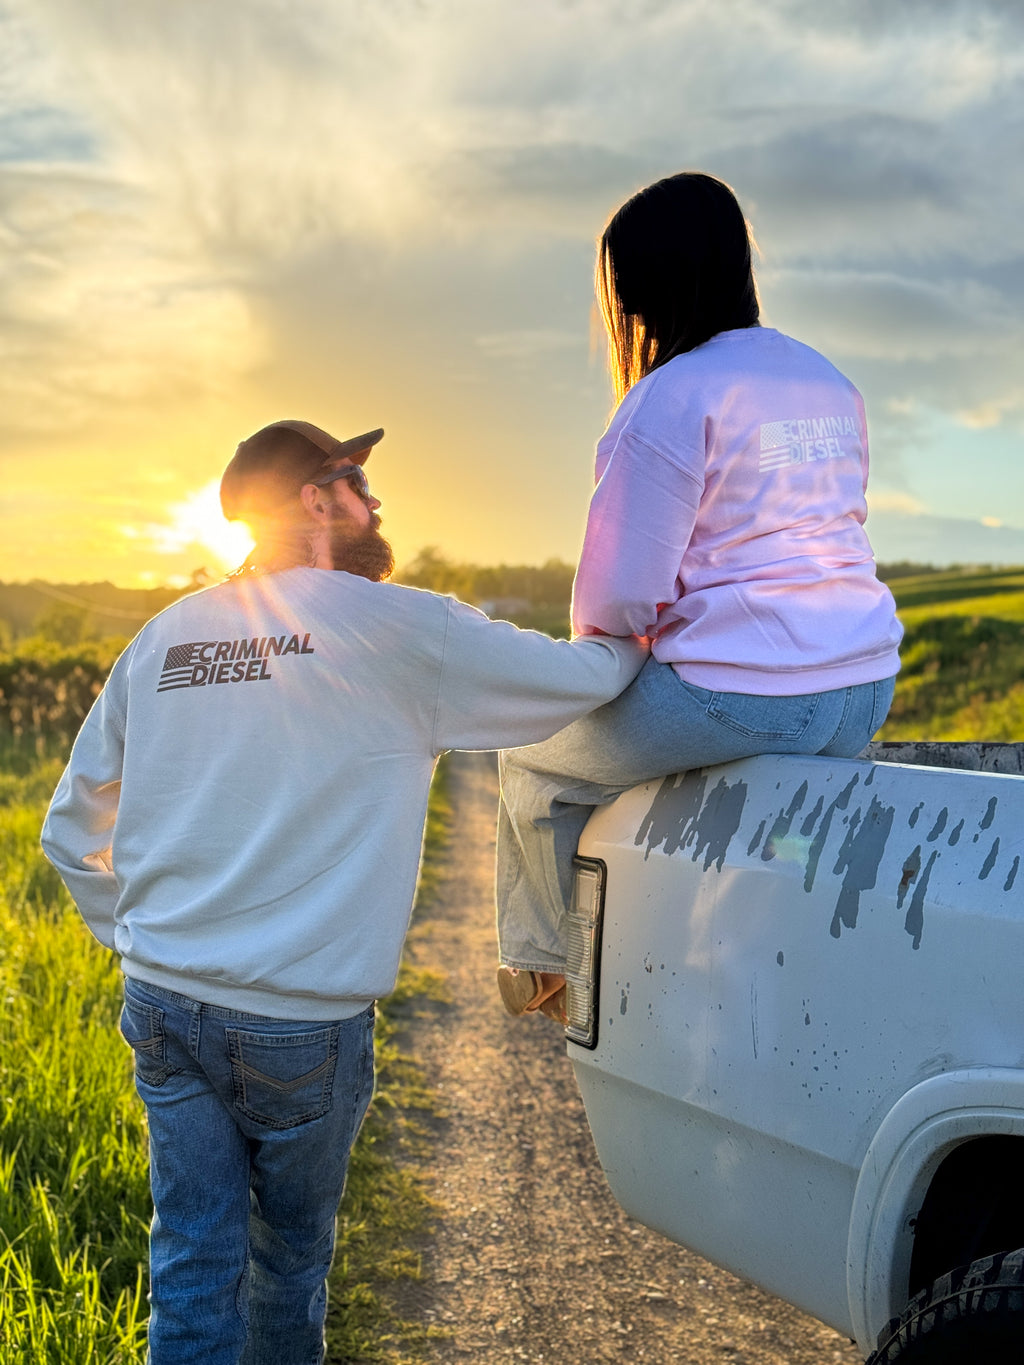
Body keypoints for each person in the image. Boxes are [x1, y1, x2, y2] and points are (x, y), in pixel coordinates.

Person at [40, 418, 646, 1365]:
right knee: (287, 1264)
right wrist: (640, 637)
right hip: (301, 1023)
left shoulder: (166, 635)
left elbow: (70, 827)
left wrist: (138, 939)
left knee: (191, 1262)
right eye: (360, 481)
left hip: (162, 1006)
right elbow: (584, 679)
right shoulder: (401, 627)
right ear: (315, 498)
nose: (376, 501)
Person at [495, 172, 903, 1016]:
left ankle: (551, 966)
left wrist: (599, 656)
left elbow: (619, 596)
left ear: (643, 290)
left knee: (531, 755)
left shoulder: (669, 398)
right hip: (863, 686)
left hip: (744, 694)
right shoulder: (826, 379)